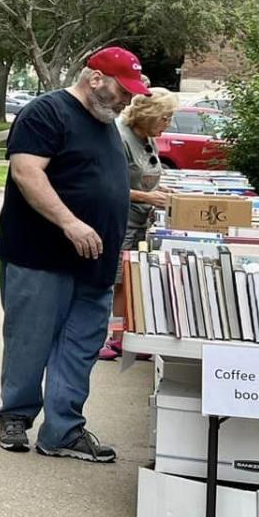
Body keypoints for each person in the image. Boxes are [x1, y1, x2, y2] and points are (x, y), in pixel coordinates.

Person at [0, 46, 145, 462]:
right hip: (40, 253)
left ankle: (63, 430)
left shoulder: (106, 121)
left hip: (95, 259)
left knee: (80, 346)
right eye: (122, 90)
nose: (127, 100)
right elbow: (26, 172)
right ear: (95, 78)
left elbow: (94, 180)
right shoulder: (46, 112)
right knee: (30, 338)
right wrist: (70, 222)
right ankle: (16, 415)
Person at [100, 88, 178, 359]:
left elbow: (145, 175)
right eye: (165, 118)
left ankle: (130, 335)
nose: (168, 124)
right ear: (148, 115)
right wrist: (147, 196)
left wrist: (162, 190)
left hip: (143, 221)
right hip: (121, 222)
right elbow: (106, 186)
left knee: (135, 280)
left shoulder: (148, 138)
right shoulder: (120, 138)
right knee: (118, 283)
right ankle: (114, 338)